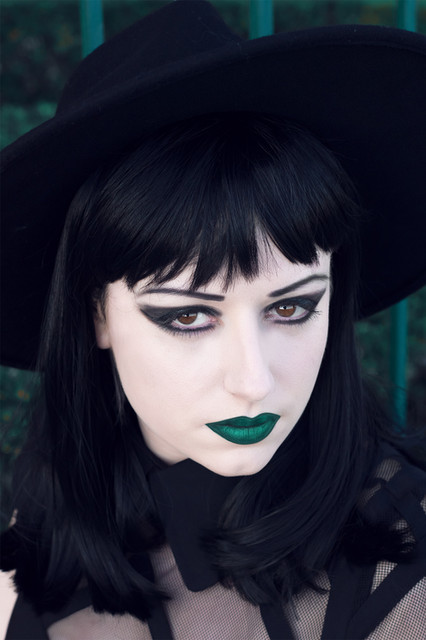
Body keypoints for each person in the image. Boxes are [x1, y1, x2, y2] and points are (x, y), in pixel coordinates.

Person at [1, 2, 425, 638]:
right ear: (97, 314)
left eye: (291, 307)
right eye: (189, 316)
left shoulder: (405, 571)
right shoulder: (48, 513)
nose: (253, 382)